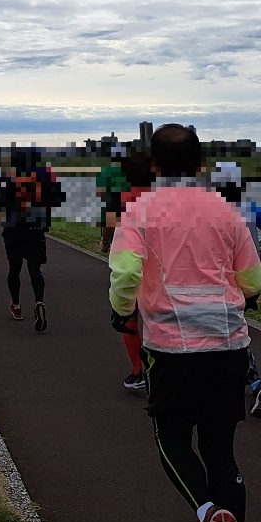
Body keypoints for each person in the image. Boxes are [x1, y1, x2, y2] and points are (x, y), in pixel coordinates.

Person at [109, 124, 261, 522]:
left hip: (172, 347)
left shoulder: (140, 211)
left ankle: (205, 511)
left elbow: (125, 272)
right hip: (228, 345)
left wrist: (121, 311)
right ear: (201, 164)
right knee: (221, 450)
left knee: (171, 439)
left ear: (154, 165)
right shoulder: (225, 211)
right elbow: (253, 280)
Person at [211, 161, 261, 418]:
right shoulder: (252, 208)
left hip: (221, 278)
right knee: (235, 327)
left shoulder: (211, 212)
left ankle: (254, 382)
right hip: (251, 276)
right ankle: (251, 382)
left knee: (229, 331)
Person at [0, 148, 66, 331]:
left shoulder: (7, 177)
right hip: (36, 228)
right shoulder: (44, 175)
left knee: (14, 269)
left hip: (13, 228)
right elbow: (59, 198)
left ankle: (17, 306)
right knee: (35, 269)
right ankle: (39, 301)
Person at [115, 147, 154, 391]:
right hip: (161, 268)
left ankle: (137, 370)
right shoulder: (164, 199)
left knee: (129, 318)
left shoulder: (125, 199)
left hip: (133, 262)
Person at [96, 148, 130, 253]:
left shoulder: (107, 170)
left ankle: (106, 244)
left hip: (114, 206)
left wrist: (105, 242)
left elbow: (100, 192)